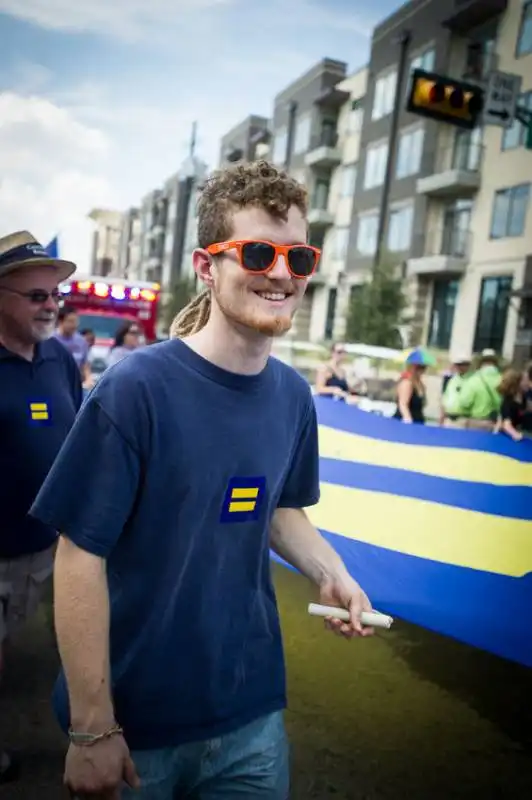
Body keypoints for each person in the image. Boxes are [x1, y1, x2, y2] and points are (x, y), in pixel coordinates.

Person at [30, 160, 374, 800]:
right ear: (206, 266)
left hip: (251, 713)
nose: (280, 273)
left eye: (297, 257)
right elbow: (79, 556)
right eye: (258, 252)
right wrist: (92, 728)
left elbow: (282, 510)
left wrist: (330, 571)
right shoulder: (136, 388)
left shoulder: (295, 397)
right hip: (136, 724)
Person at [0, 230, 82, 783]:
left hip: (52, 547)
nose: (52, 305)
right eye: (37, 296)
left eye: (56, 296)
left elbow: (77, 440)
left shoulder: (59, 360)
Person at [456, 348, 501, 431]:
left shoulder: (474, 379)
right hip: (496, 422)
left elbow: (464, 403)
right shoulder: (502, 379)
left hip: (476, 422)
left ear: (481, 362)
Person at [54, 306, 92, 388]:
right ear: (60, 321)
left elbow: (85, 364)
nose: (74, 325)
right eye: (70, 321)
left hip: (74, 384)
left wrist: (88, 380)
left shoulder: (81, 341)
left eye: (76, 321)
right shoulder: (51, 339)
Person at [494, 367, 530, 442]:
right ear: (517, 384)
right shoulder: (509, 402)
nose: (528, 383)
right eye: (526, 381)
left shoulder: (523, 398)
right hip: (507, 437)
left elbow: (529, 407)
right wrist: (516, 435)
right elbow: (506, 425)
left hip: (518, 429)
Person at [393, 349, 428, 423]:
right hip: (406, 421)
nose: (421, 370)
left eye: (423, 367)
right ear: (411, 367)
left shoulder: (420, 384)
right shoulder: (407, 383)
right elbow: (403, 405)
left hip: (418, 420)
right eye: (418, 367)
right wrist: (408, 421)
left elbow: (423, 403)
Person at [440, 355, 472, 427]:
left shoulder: (472, 380)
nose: (459, 367)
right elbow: (445, 398)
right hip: (449, 419)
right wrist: (442, 417)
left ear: (468, 365)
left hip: (463, 419)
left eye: (462, 365)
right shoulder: (452, 380)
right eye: (458, 365)